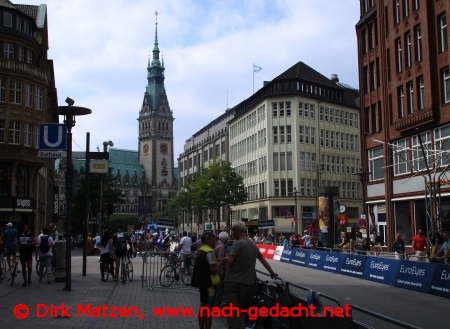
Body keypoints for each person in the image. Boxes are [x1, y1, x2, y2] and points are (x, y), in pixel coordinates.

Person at [224, 221, 278, 329]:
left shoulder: (237, 244)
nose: (232, 234)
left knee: (232, 310)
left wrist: (224, 259)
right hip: (245, 282)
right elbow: (263, 260)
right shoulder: (253, 245)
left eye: (233, 231)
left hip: (232, 281)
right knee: (239, 308)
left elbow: (230, 261)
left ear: (236, 231)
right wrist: (272, 273)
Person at [192, 232, 226, 329]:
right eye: (213, 238)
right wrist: (221, 264)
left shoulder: (201, 250)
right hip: (210, 285)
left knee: (202, 306)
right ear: (207, 240)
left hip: (202, 283)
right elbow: (213, 271)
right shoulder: (210, 252)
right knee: (208, 308)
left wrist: (216, 261)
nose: (215, 240)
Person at [214, 232, 229, 307]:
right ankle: (216, 308)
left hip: (217, 271)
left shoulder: (217, 245)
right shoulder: (221, 247)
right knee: (220, 291)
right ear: (226, 239)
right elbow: (221, 261)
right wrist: (222, 273)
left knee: (217, 291)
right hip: (220, 273)